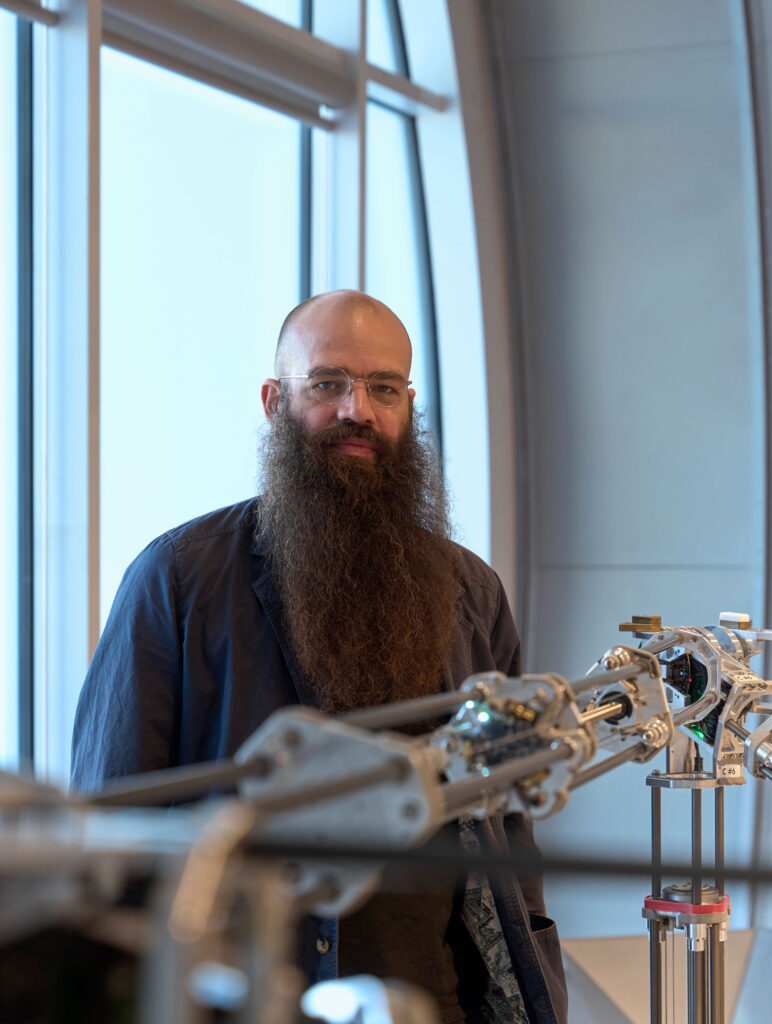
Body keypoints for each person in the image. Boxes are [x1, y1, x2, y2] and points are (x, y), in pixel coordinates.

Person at [71, 291, 568, 1024]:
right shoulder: (177, 577)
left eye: (383, 388)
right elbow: (107, 836)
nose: (356, 411)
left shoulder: (470, 590)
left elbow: (506, 827)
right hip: (252, 1002)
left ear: (407, 406)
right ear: (275, 401)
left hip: (439, 1002)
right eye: (327, 383)